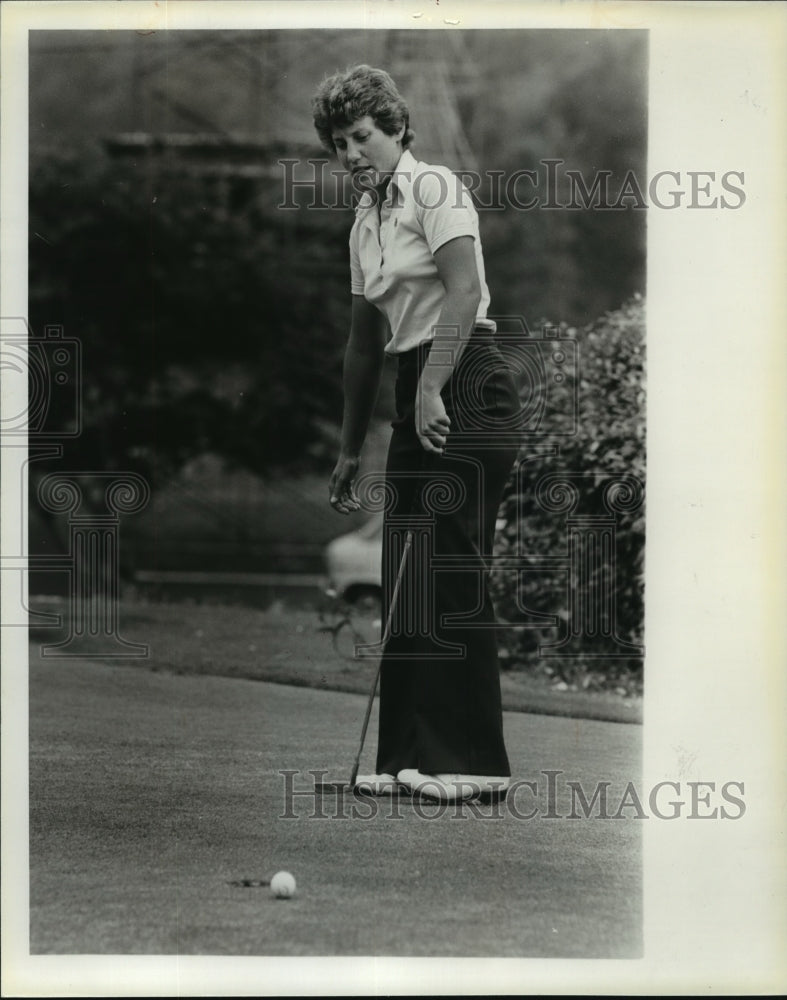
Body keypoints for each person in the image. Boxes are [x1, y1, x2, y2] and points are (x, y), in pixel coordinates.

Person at [311, 65, 520, 802]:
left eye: (361, 135)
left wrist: (432, 387)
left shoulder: (434, 188)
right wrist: (346, 447)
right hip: (415, 383)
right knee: (406, 568)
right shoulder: (365, 224)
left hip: (467, 379)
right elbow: (363, 345)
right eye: (338, 142)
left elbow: (463, 291)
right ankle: (410, 756)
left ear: (395, 129)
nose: (349, 152)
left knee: (451, 564)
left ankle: (472, 766)